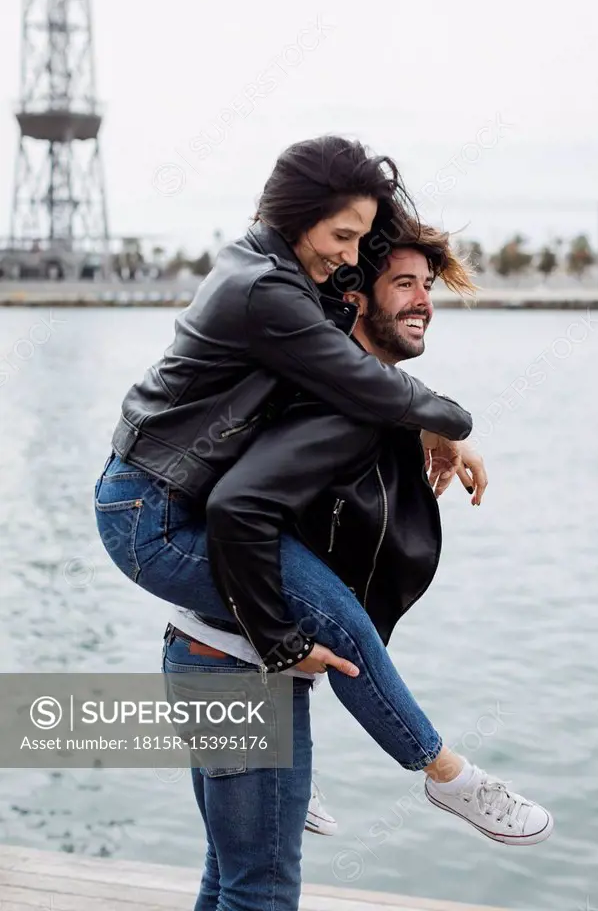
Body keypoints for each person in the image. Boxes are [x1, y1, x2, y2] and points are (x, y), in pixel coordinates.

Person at [96, 224, 553, 911]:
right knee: (262, 891)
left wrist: (442, 424)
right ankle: (445, 770)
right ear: (355, 295)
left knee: (232, 878)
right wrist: (282, 644)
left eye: (428, 287)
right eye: (404, 283)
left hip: (204, 646)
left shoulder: (339, 383)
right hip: (240, 664)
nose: (424, 300)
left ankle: (431, 771)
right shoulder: (339, 405)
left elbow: (375, 391)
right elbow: (240, 511)